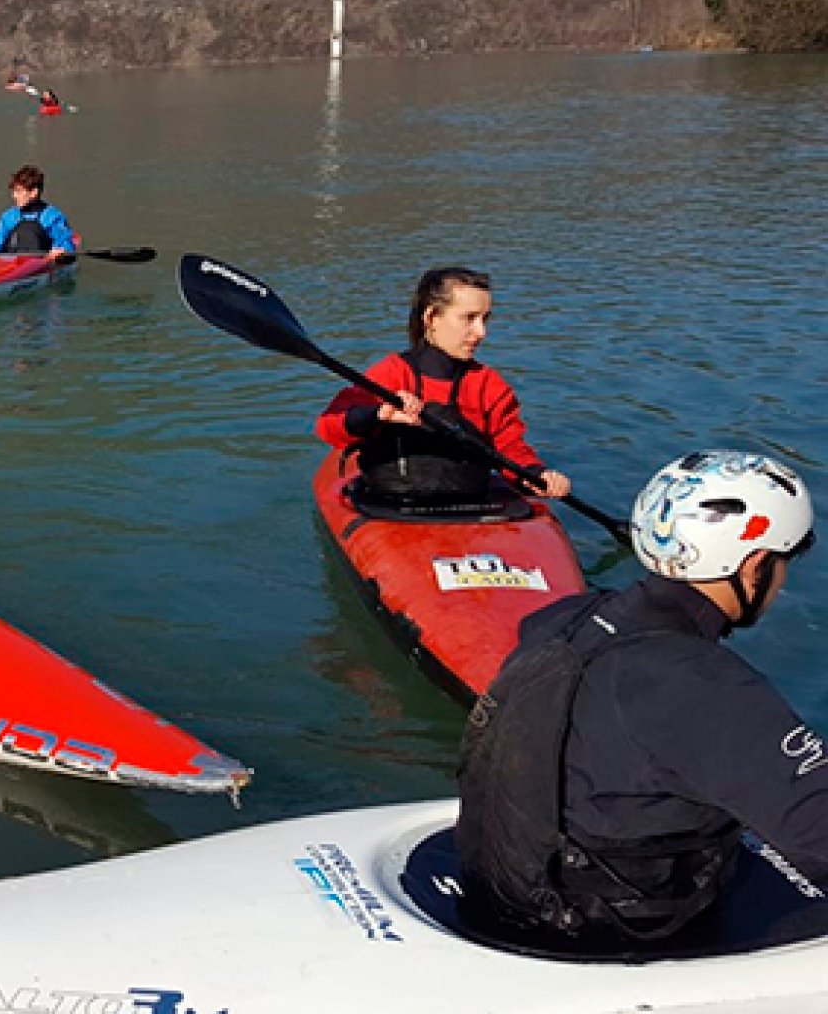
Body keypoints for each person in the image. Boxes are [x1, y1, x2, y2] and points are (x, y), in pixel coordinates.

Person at [458, 448, 823, 945]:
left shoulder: (566, 616)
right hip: (615, 931)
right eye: (784, 561)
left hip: (508, 893)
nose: (781, 582)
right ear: (755, 564)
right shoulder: (703, 684)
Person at [314, 267, 571, 507]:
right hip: (392, 505)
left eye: (485, 319)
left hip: (469, 504)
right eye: (469, 318)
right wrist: (378, 414)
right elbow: (329, 427)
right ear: (432, 317)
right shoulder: (391, 374)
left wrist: (535, 474)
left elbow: (510, 447)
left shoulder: (488, 385)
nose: (481, 332)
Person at [0, 164, 78, 262]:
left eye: (19, 191)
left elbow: (65, 242)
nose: (14, 196)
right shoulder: (9, 216)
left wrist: (62, 251)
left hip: (41, 264)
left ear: (33, 192)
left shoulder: (51, 216)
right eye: (13, 191)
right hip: (10, 264)